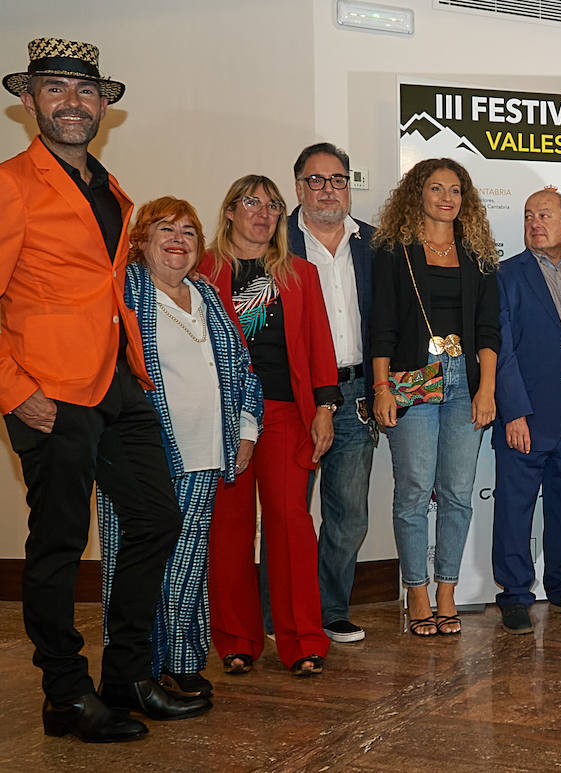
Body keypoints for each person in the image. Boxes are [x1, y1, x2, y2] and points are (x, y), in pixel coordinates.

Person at [0, 37, 208, 742]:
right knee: (57, 545)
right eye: (55, 89)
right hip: (48, 391)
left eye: (85, 91)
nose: (73, 102)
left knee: (157, 515)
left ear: (103, 106)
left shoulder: (111, 188)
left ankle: (126, 675)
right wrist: (13, 389)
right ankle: (65, 692)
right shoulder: (11, 184)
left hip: (116, 383)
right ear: (28, 101)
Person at [96, 197, 263, 699]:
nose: (178, 239)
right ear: (141, 240)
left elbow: (243, 369)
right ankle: (134, 670)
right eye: (165, 229)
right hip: (138, 455)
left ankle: (183, 662)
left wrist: (246, 431)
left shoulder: (210, 296)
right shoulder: (122, 293)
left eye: (189, 232)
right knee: (135, 565)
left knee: (187, 566)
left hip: (205, 454)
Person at [202, 175, 340, 676]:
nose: (262, 213)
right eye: (251, 203)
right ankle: (236, 640)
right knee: (229, 529)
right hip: (220, 417)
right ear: (231, 211)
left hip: (284, 413)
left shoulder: (299, 273)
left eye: (273, 206)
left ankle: (304, 640)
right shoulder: (201, 269)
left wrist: (325, 407)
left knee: (290, 525)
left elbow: (320, 345)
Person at [371, 158, 500, 637]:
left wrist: (487, 388)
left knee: (457, 495)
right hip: (411, 379)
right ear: (416, 195)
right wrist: (381, 387)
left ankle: (447, 590)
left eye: (455, 190)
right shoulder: (393, 252)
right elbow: (381, 327)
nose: (447, 197)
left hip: (465, 380)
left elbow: (490, 329)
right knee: (412, 492)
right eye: (436, 188)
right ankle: (417, 592)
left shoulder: (477, 253)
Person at [491, 189, 561, 635]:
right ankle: (515, 595)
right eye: (528, 215)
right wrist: (513, 411)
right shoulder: (504, 275)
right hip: (528, 415)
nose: (536, 222)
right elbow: (500, 349)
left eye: (545, 215)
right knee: (515, 510)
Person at [287, 142, 378, 644]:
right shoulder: (276, 242)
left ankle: (330, 610)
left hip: (356, 391)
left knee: (348, 514)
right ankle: (282, 612)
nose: (328, 189)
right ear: (299, 187)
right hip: (293, 396)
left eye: (338, 179)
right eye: (317, 180)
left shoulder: (373, 244)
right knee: (289, 512)